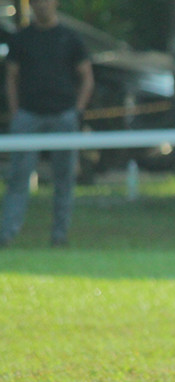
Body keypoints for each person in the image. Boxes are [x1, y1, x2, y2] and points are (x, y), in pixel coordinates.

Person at [0, 0, 93, 248]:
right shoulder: (21, 38)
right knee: (18, 177)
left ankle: (59, 236)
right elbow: (11, 77)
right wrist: (16, 112)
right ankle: (7, 235)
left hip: (64, 115)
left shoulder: (70, 38)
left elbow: (87, 77)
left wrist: (77, 111)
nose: (42, 5)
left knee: (64, 179)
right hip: (28, 116)